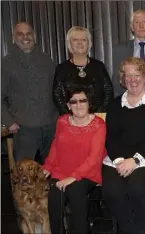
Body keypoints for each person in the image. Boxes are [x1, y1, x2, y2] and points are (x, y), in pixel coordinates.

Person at [102, 57, 145, 234]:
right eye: (128, 75)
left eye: (137, 74)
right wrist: (119, 160)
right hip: (119, 160)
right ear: (123, 79)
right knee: (112, 190)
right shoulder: (115, 104)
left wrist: (135, 160)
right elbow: (111, 138)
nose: (133, 79)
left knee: (137, 187)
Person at [42, 87, 106, 234]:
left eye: (83, 100)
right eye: (74, 101)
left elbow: (94, 158)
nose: (79, 105)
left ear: (89, 103)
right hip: (62, 170)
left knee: (75, 191)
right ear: (68, 105)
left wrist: (73, 177)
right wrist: (48, 166)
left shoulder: (98, 125)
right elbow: (56, 147)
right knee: (54, 196)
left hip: (88, 172)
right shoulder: (62, 121)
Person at [1, 22, 57, 163]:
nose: (25, 37)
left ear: (34, 36)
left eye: (29, 33)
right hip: (24, 129)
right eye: (20, 34)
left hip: (51, 126)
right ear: (14, 37)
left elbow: (57, 90)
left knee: (52, 170)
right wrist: (9, 122)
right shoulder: (6, 63)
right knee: (26, 176)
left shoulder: (47, 60)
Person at [53, 26, 113, 115]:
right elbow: (57, 95)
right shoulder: (62, 68)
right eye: (75, 40)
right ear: (69, 44)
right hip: (71, 120)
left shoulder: (99, 66)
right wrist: (71, 116)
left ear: (89, 43)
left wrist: (98, 115)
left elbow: (108, 92)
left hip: (97, 119)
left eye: (84, 40)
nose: (80, 43)